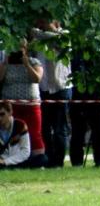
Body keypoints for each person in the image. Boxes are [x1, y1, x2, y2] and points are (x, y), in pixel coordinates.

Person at [0, 39, 46, 167]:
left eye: (21, 48)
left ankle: (38, 161)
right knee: (12, 133)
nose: (18, 50)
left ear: (26, 48)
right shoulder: (7, 63)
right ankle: (9, 160)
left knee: (34, 133)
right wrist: (5, 63)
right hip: (10, 106)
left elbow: (37, 79)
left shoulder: (34, 62)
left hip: (31, 105)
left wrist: (27, 64)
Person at [33, 19, 72, 168]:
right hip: (43, 89)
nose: (41, 24)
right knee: (44, 128)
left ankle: (58, 162)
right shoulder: (39, 37)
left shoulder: (64, 36)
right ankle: (49, 160)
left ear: (56, 22)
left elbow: (59, 41)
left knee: (59, 129)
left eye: (45, 21)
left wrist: (47, 30)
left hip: (61, 87)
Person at [0, 101, 31, 168]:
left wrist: (6, 161)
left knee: (42, 159)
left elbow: (26, 151)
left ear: (10, 112)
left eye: (2, 114)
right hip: (2, 159)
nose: (0, 118)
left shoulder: (20, 126)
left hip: (18, 159)